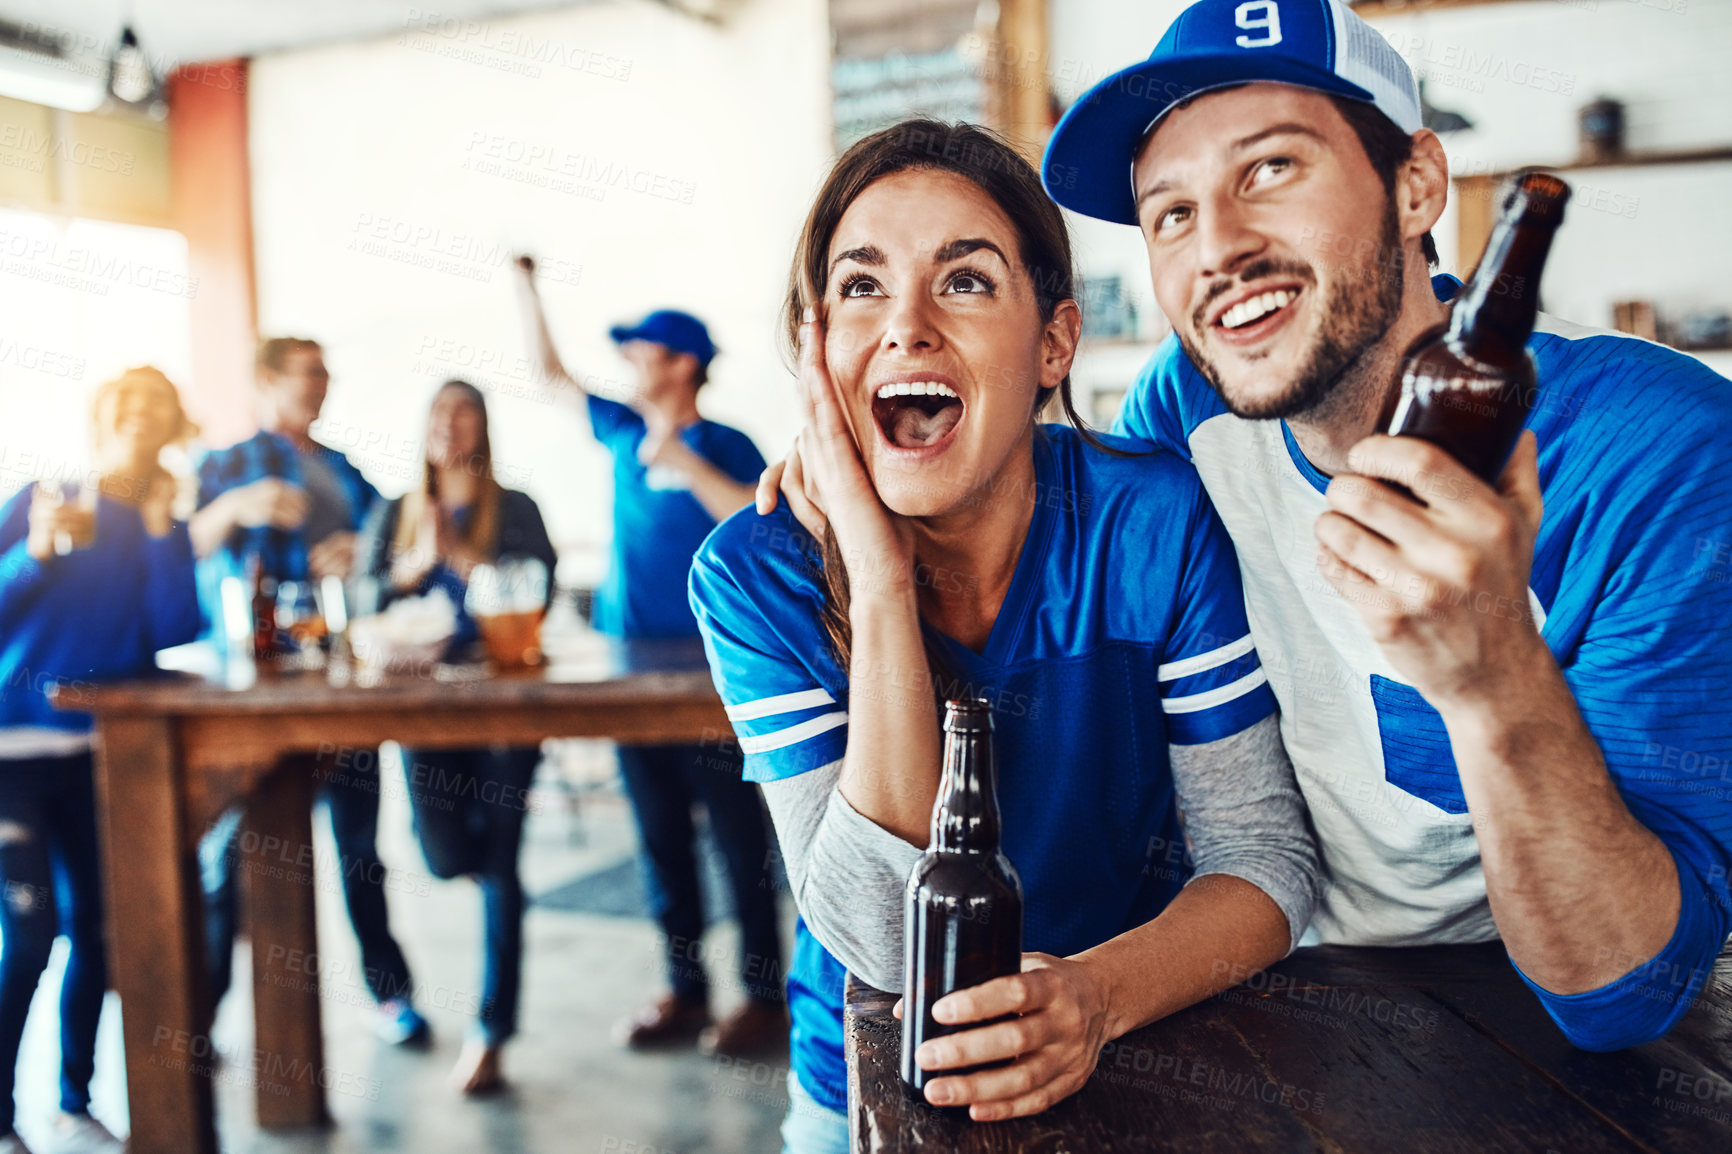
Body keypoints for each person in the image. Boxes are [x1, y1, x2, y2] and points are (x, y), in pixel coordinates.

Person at [1038, 0, 1732, 1048]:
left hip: (1510, 1032)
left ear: (1416, 184)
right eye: (1169, 213)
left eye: (1269, 168)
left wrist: (1491, 670)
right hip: (1239, 987)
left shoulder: (1656, 450)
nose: (1218, 246)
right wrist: (861, 466)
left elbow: (1624, 985)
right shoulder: (1189, 403)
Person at [707, 119, 1319, 1153]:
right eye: (861, 286)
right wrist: (880, 577)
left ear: (1054, 342)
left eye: (965, 281)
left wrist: (1092, 996)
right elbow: (874, 937)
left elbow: (1262, 861)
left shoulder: (1149, 523)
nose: (904, 326)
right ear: (816, 347)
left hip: (1143, 1042)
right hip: (869, 1074)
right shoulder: (753, 574)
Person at [512, 260, 788, 1057]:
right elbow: (550, 375)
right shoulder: (622, 431)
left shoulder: (728, 442)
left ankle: (764, 997)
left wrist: (689, 463)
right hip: (629, 677)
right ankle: (686, 990)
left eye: (642, 352)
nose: (630, 365)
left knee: (738, 841)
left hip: (717, 681)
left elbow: (757, 521)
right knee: (659, 838)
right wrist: (528, 285)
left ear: (682, 364)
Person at [188, 337, 428, 1045]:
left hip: (340, 681)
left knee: (360, 849)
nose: (324, 384)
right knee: (230, 858)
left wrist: (362, 549)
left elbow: (393, 541)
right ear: (267, 381)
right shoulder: (225, 463)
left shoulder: (345, 470)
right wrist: (237, 504)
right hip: (254, 690)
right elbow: (184, 546)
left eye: (327, 372)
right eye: (309, 373)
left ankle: (390, 996)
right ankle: (201, 1017)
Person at [0, 368, 202, 1154]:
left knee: (98, 929)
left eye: (158, 407)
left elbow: (173, 623)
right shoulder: (46, 496)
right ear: (102, 418)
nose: (141, 418)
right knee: (33, 925)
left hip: (97, 757)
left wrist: (161, 530)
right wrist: (39, 554)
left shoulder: (157, 517)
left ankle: (74, 1099)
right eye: (128, 404)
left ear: (171, 427)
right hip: (11, 755)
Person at [354, 379, 558, 1095]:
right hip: (423, 707)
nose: (452, 425)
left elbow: (542, 588)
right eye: (439, 411)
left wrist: (465, 560)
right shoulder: (394, 510)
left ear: (484, 427)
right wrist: (416, 563)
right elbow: (361, 599)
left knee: (500, 863)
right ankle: (473, 862)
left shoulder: (517, 508)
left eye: (465, 411)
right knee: (443, 856)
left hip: (505, 701)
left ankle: (491, 1031)